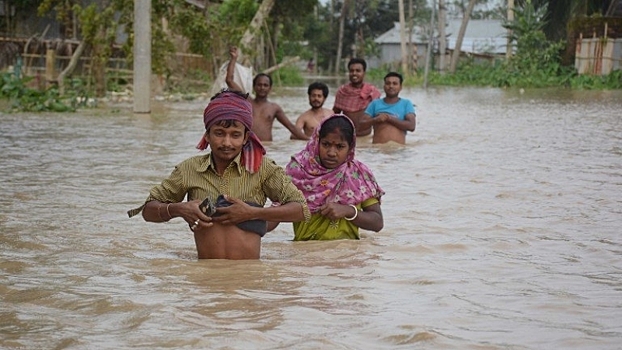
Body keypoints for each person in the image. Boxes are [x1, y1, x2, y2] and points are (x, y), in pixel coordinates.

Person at [127, 90, 310, 260]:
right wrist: (180, 209)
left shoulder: (263, 169)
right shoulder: (189, 169)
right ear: (207, 135)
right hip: (205, 282)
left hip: (250, 284)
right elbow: (148, 211)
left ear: (246, 137)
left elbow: (302, 210)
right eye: (219, 133)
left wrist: (252, 213)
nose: (226, 142)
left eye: (235, 135)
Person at [268, 114, 385, 240]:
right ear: (316, 142)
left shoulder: (358, 175)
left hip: (348, 255)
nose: (331, 153)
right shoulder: (298, 172)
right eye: (326, 144)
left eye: (340, 146)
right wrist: (250, 216)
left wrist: (349, 211)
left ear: (350, 148)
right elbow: (275, 215)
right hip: (304, 255)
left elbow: (377, 223)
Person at [225, 46, 309, 142]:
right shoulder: (246, 101)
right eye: (259, 85)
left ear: (270, 88)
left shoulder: (274, 108)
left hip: (267, 149)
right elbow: (229, 80)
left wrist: (309, 140)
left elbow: (291, 127)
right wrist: (234, 59)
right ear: (254, 87)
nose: (262, 88)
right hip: (248, 146)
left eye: (265, 85)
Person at [360, 72, 416, 144]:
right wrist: (375, 120)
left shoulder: (406, 104)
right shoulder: (375, 103)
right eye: (388, 83)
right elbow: (361, 125)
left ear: (400, 87)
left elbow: (411, 126)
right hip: (377, 152)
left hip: (399, 151)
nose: (391, 86)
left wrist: (389, 118)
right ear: (384, 86)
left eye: (395, 83)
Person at [332, 58, 381, 137]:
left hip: (366, 137)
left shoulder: (372, 92)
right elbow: (334, 115)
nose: (354, 73)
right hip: (347, 137)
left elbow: (378, 117)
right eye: (351, 71)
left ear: (364, 73)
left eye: (358, 71)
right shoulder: (343, 92)